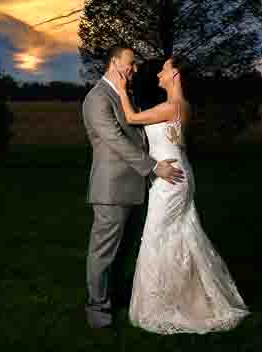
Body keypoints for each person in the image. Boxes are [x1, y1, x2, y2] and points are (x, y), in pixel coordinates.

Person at [107, 55, 251, 335]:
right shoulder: (183, 106)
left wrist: (121, 89)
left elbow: (130, 118)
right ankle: (188, 296)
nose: (159, 72)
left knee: (157, 234)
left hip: (170, 179)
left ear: (175, 76)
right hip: (178, 172)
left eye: (165, 69)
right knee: (181, 233)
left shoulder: (170, 106)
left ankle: (162, 303)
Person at [82, 46, 185, 330]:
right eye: (131, 63)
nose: (134, 69)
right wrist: (154, 167)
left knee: (125, 249)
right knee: (103, 253)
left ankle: (117, 298)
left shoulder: (123, 95)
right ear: (114, 62)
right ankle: (98, 311)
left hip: (135, 186)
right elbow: (116, 141)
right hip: (112, 189)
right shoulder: (97, 98)